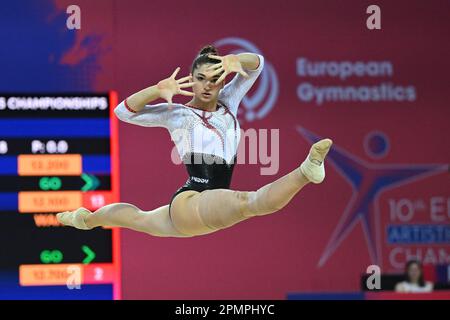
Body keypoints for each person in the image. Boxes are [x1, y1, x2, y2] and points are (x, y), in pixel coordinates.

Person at [57, 45, 333, 237]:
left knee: (137, 218)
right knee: (252, 202)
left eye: (215, 78)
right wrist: (156, 90)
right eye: (200, 79)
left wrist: (233, 59)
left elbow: (258, 65)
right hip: (192, 200)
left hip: (205, 209)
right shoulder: (178, 113)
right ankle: (307, 171)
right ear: (192, 80)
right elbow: (123, 112)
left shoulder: (229, 102)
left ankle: (86, 219)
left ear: (223, 81)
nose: (207, 85)